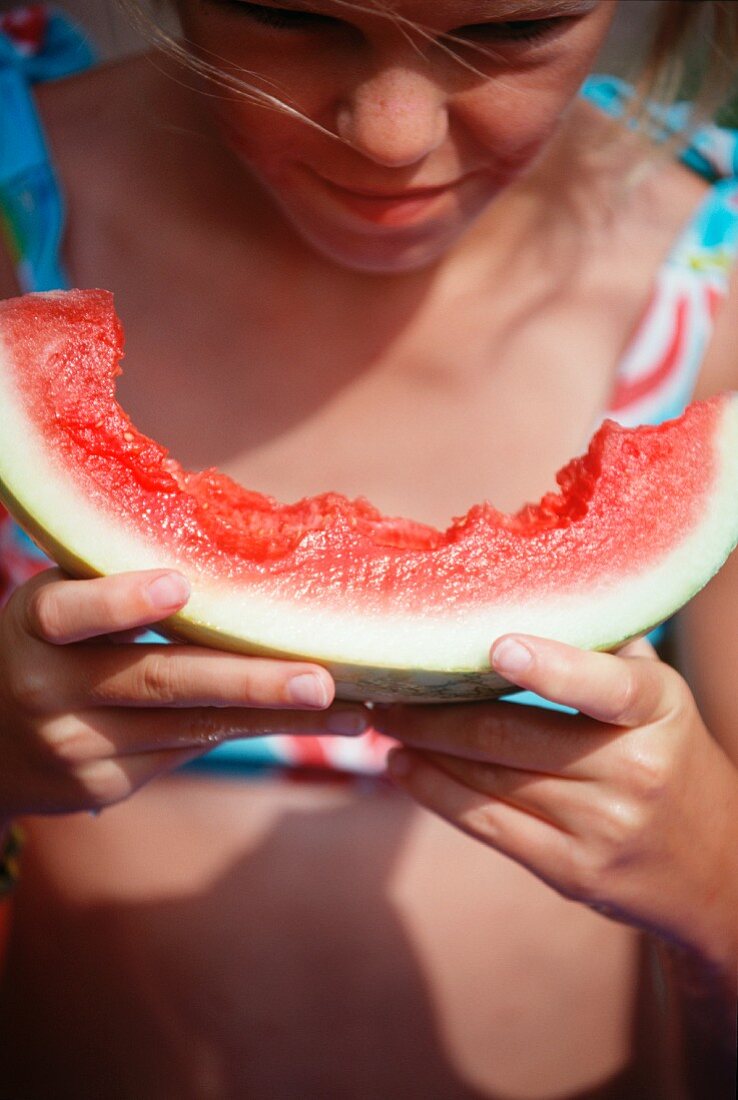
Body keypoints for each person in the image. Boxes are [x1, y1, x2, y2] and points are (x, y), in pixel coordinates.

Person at [0, 0, 736, 1096]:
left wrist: (715, 875)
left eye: (510, 31)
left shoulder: (714, 296)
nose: (389, 132)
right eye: (288, 15)